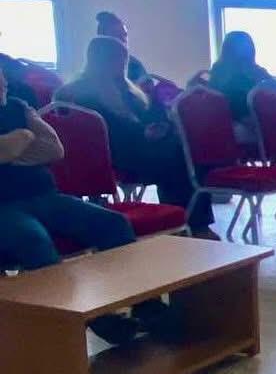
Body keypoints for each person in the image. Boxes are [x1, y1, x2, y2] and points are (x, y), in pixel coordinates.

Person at [0, 67, 168, 345]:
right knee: (33, 239)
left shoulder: (19, 107)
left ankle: (147, 305)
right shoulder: (21, 116)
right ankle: (88, 318)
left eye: (3, 77)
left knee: (113, 223)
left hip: (45, 196)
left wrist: (12, 149)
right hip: (4, 207)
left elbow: (53, 149)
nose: (4, 82)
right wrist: (23, 139)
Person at [55, 37, 218, 239]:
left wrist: (158, 121)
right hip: (114, 154)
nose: (122, 65)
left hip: (139, 145)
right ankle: (193, 224)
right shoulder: (79, 94)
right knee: (178, 158)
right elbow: (105, 130)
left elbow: (147, 115)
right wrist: (143, 133)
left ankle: (190, 221)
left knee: (187, 151)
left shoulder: (126, 89)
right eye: (117, 59)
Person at [208, 31, 272, 122]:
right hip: (234, 121)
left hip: (246, 120)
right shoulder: (220, 70)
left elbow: (275, 88)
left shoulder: (256, 70)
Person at [96, 11, 147, 83]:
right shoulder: (95, 67)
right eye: (116, 34)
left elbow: (148, 86)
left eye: (125, 34)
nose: (123, 38)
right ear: (102, 38)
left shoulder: (134, 65)